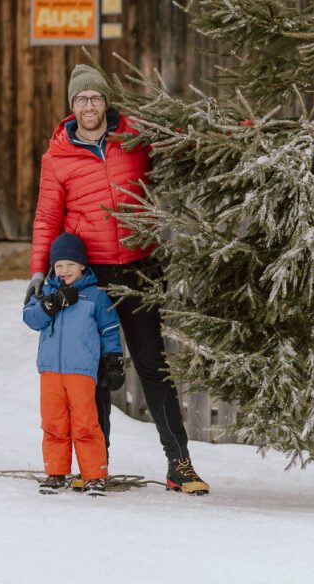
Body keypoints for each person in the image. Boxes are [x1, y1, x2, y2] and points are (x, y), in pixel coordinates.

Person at [24, 63, 210, 494]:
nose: (89, 106)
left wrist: (236, 130)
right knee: (96, 370)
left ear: (106, 102)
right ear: (72, 107)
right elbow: (48, 215)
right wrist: (39, 269)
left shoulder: (135, 136)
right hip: (91, 277)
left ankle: (178, 463)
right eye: (81, 99)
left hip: (140, 266)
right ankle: (95, 466)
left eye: (95, 98)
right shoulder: (57, 157)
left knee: (152, 364)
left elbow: (188, 135)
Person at [23, 231, 125, 497]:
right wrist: (52, 303)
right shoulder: (46, 291)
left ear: (82, 265)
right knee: (53, 423)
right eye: (59, 265)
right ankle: (55, 473)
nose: (65, 270)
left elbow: (109, 330)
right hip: (50, 371)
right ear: (52, 268)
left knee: (85, 424)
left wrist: (114, 361)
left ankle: (94, 476)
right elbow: (31, 319)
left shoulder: (95, 296)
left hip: (81, 371)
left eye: (70, 264)